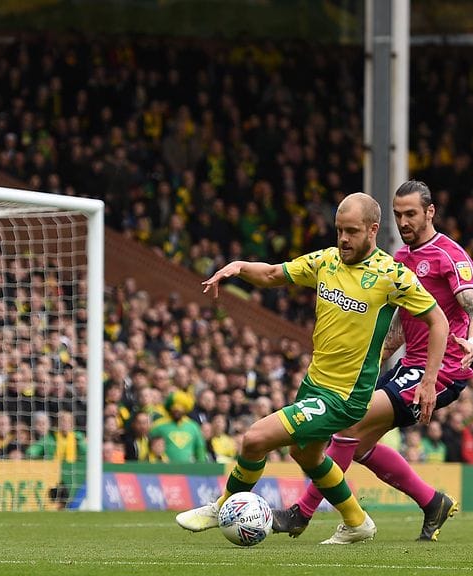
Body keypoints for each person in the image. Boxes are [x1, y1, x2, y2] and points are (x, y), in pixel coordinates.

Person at [176, 192, 449, 544]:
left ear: (372, 230)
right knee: (304, 453)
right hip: (315, 384)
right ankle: (356, 521)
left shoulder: (392, 276)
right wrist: (240, 267)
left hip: (345, 396)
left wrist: (429, 381)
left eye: (352, 231)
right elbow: (275, 274)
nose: (343, 239)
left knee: (255, 439)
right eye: (338, 231)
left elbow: (438, 322)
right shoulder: (326, 261)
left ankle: (222, 506)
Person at [273, 180, 473, 541]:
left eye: (411, 214)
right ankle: (432, 501)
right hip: (408, 369)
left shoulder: (449, 256)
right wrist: (379, 356)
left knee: (347, 428)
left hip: (442, 369)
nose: (403, 222)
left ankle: (301, 513)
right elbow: (401, 329)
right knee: (359, 448)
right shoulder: (400, 260)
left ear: (430, 212)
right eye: (398, 215)